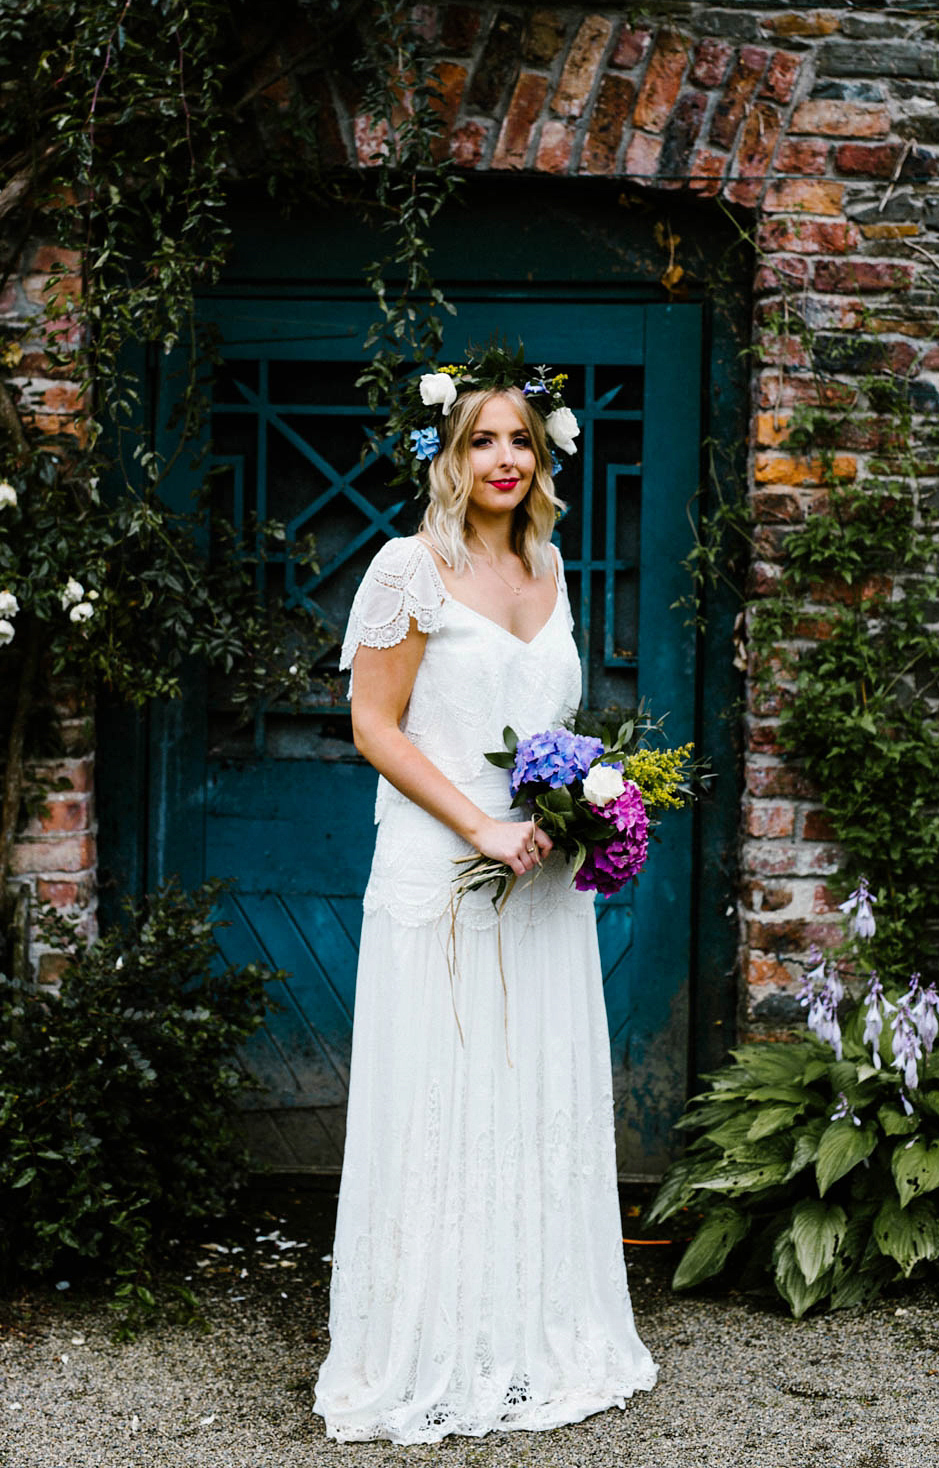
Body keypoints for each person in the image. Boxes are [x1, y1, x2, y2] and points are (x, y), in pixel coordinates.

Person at [313, 359, 657, 1445]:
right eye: (482, 441)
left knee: (529, 1089)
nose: (504, 459)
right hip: (445, 869)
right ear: (448, 457)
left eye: (520, 441)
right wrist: (481, 826)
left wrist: (586, 804)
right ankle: (427, 1340)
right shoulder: (407, 568)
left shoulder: (552, 570)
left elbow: (551, 724)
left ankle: (529, 1327)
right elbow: (375, 725)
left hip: (543, 881)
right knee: (442, 1091)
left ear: (543, 456)